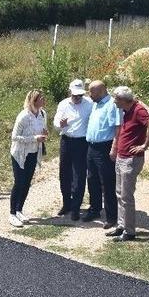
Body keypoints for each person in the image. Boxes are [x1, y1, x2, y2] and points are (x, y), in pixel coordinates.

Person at [109, 86, 149, 242]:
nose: (114, 101)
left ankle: (130, 232)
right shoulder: (126, 110)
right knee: (119, 193)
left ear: (123, 100)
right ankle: (121, 225)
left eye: (116, 98)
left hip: (131, 159)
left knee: (126, 196)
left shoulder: (138, 110)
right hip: (121, 157)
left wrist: (144, 146)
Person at [53, 79, 93, 218]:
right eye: (75, 95)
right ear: (70, 92)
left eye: (80, 95)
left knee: (79, 175)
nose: (77, 98)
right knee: (64, 174)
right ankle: (66, 203)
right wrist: (61, 124)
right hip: (66, 140)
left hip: (82, 142)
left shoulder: (89, 104)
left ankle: (76, 207)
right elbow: (56, 123)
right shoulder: (63, 104)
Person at [9, 90, 48, 228]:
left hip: (33, 152)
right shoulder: (23, 116)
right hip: (20, 154)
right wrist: (34, 138)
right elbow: (14, 137)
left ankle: (19, 210)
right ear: (33, 101)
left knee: (27, 183)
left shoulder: (43, 114)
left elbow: (43, 130)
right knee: (19, 182)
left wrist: (44, 134)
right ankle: (12, 213)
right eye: (41, 98)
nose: (43, 100)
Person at [84, 81, 121, 226]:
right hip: (92, 147)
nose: (89, 95)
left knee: (107, 182)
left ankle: (112, 217)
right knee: (92, 179)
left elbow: (118, 128)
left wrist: (114, 148)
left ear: (100, 91)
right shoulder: (96, 104)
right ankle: (95, 209)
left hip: (105, 147)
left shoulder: (112, 104)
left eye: (91, 92)